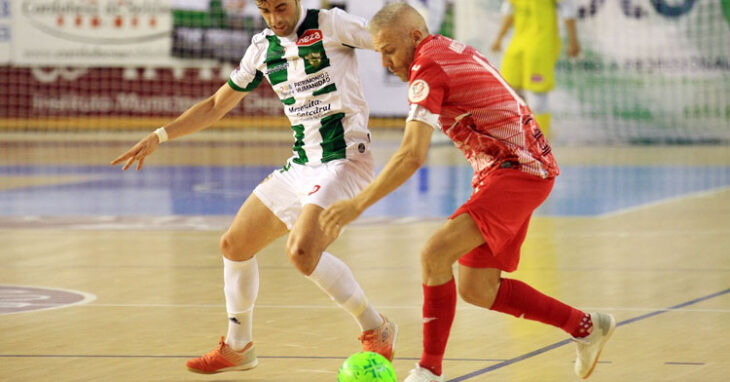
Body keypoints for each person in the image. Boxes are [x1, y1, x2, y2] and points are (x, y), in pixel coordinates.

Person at [320, 3, 613, 381]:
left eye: (388, 50)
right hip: (507, 170)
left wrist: (356, 205)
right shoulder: (439, 50)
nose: (385, 63)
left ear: (414, 37)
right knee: (478, 288)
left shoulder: (429, 65)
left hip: (519, 169)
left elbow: (412, 154)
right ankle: (587, 326)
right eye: (379, 53)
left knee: (434, 253)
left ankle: (429, 371)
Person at [110, 0, 397, 374]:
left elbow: (385, 39)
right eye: (265, 11)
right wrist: (159, 136)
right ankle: (238, 346)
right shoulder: (262, 48)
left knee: (302, 252)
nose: (275, 20)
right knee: (235, 244)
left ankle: (376, 327)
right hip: (301, 165)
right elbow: (215, 105)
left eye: (281, 8)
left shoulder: (332, 24)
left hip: (344, 161)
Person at [490, 0, 581, 138]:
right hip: (518, 43)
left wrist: (573, 40)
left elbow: (568, 9)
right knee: (509, 92)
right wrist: (499, 38)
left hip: (541, 45)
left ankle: (541, 142)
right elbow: (509, 10)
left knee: (537, 97)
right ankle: (518, 137)